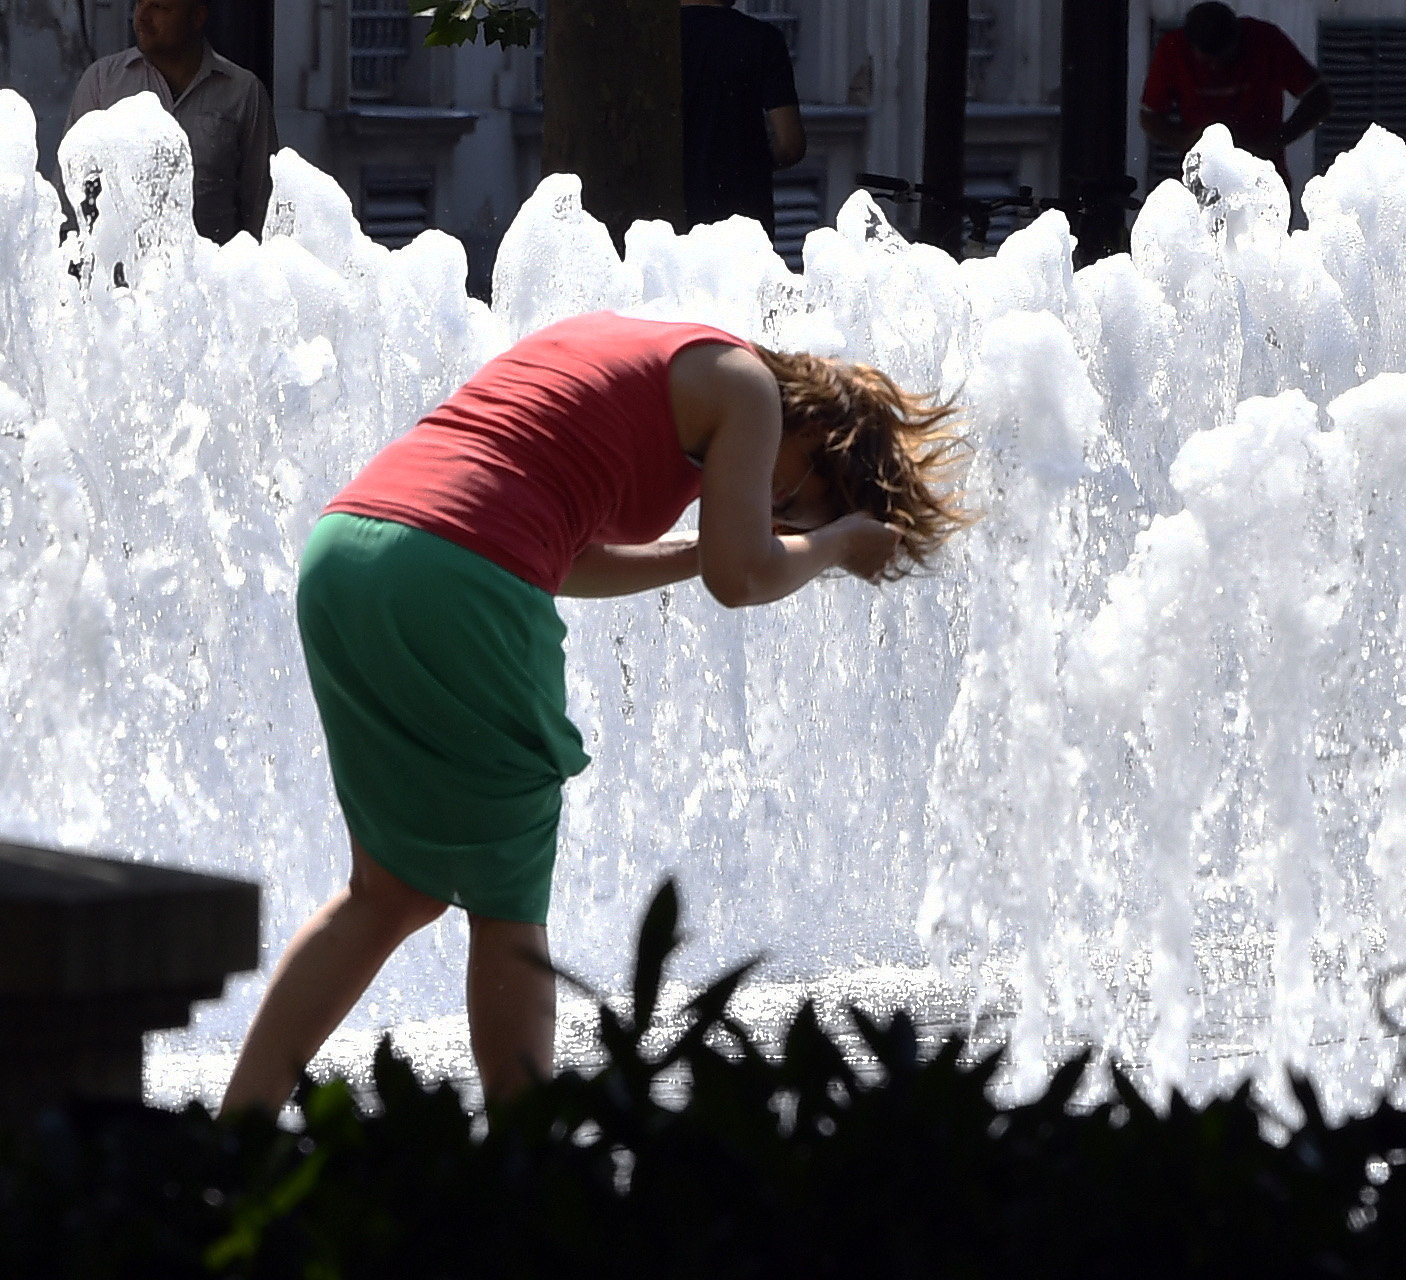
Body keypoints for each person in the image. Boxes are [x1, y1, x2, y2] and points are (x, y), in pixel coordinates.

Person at [219, 311, 968, 1114]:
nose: (775, 513)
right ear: (820, 434)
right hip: (461, 575)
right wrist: (841, 543)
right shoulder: (749, 388)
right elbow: (742, 578)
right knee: (506, 902)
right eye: (790, 499)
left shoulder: (641, 354)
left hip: (350, 555)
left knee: (391, 891)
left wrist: (715, 540)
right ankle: (528, 1170)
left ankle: (235, 1131)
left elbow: (570, 560)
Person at [66, 0, 278, 243]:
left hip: (212, 272)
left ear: (197, 16)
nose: (141, 17)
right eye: (138, 3)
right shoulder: (103, 83)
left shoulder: (242, 92)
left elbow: (261, 204)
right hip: (121, 275)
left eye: (159, 7)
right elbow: (72, 193)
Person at [1139, 2, 1332, 194]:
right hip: (1202, 181)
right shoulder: (1173, 49)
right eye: (1207, 61)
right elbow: (1149, 117)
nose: (1216, 68)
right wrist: (1186, 141)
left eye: (1224, 58)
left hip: (1262, 178)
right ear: (1190, 46)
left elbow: (1319, 98)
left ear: (1238, 38)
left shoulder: (1265, 40)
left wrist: (1277, 140)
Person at [681, 0, 808, 237]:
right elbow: (790, 144)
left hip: (668, 219)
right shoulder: (762, 40)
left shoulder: (652, 43)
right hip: (742, 219)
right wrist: (748, 164)